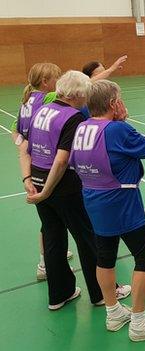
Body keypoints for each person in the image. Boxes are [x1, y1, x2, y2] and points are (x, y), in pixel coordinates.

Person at [70, 80, 145, 340]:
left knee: (104, 256)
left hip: (93, 199)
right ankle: (138, 322)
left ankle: (113, 312)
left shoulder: (82, 127)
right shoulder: (116, 129)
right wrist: (123, 120)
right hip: (121, 202)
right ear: (114, 104)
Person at [21, 70, 130, 310]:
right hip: (62, 187)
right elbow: (61, 160)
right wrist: (48, 190)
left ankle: (59, 294)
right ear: (78, 94)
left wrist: (28, 179)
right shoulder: (73, 118)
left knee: (53, 238)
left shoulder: (42, 110)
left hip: (38, 181)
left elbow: (26, 147)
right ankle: (101, 293)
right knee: (88, 237)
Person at [12, 62, 73, 280]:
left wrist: (24, 143)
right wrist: (109, 71)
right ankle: (46, 263)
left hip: (34, 166)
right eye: (57, 78)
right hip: (49, 165)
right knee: (59, 221)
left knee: (49, 221)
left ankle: (47, 260)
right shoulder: (47, 98)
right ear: (46, 82)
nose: (60, 82)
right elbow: (78, 89)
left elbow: (15, 132)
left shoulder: (26, 102)